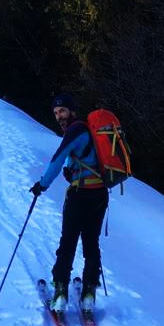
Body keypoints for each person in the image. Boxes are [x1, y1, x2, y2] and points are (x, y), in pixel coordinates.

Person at [31, 93, 108, 311]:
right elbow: (78, 157)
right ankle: (89, 293)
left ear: (72, 111)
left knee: (68, 242)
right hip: (100, 194)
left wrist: (42, 185)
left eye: (62, 111)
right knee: (91, 242)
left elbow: (56, 159)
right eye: (55, 113)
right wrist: (71, 169)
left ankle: (61, 292)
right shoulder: (89, 130)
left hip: (80, 195)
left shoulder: (75, 130)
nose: (59, 116)